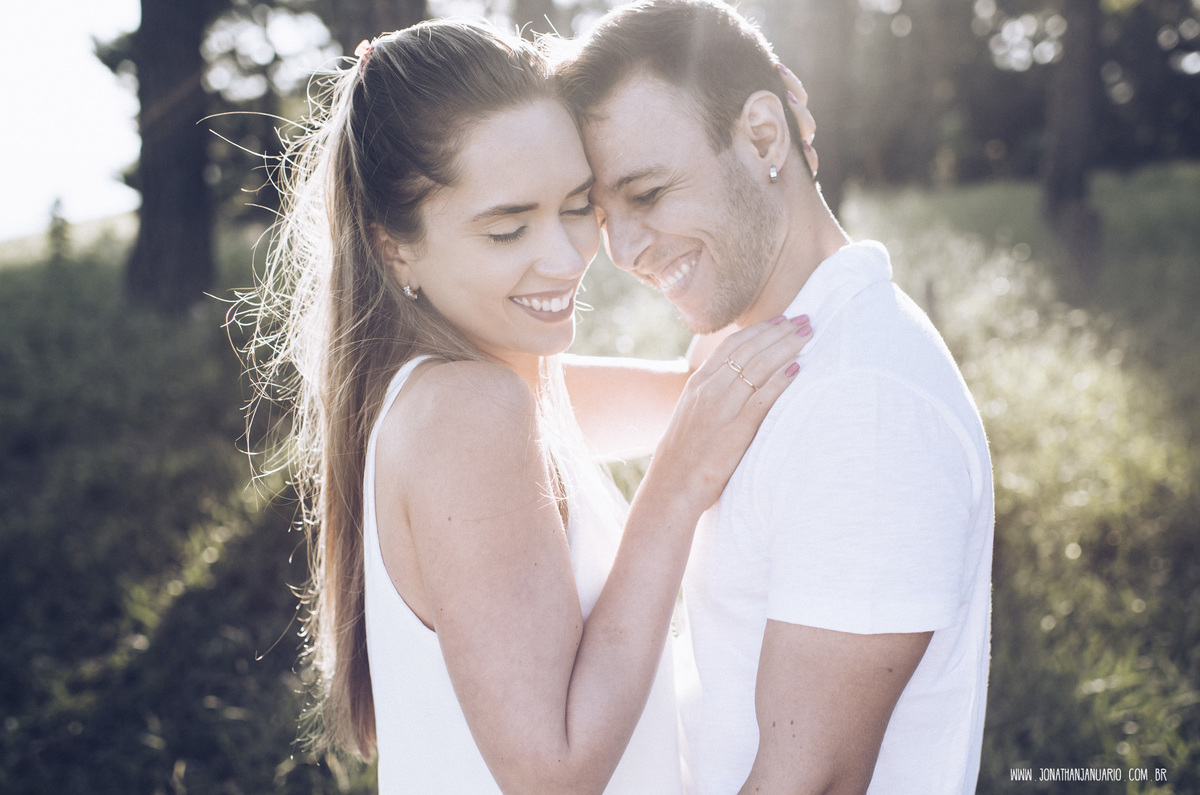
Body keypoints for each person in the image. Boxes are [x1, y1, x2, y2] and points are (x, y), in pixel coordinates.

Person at [241, 18, 813, 793]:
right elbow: (554, 772)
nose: (567, 255)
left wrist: (755, 128)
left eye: (577, 205)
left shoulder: (507, 383)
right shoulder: (465, 413)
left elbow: (706, 388)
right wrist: (673, 491)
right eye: (508, 228)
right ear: (394, 248)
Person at [559, 1, 996, 792]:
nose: (620, 251)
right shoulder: (761, 348)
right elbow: (524, 407)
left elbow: (813, 781)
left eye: (648, 193)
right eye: (599, 212)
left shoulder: (863, 407)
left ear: (764, 136)